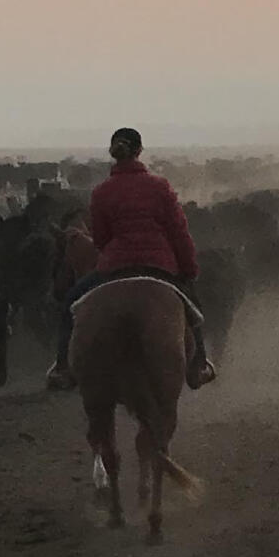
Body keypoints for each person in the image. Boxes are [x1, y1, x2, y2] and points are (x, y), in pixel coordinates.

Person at [49, 127, 212, 390]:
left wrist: (115, 252)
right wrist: (188, 269)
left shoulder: (102, 191)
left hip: (115, 267)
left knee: (70, 304)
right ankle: (199, 365)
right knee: (194, 311)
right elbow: (179, 232)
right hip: (160, 266)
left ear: (114, 152)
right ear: (139, 151)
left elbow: (101, 239)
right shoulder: (160, 187)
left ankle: (62, 368)